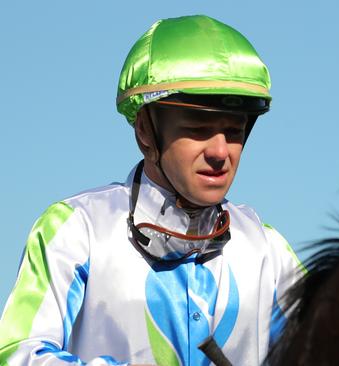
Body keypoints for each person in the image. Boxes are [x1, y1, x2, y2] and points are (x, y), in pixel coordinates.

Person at [0, 14, 303, 365]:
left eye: (234, 132)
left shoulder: (268, 250)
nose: (221, 152)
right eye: (199, 128)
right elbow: (18, 353)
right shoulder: (75, 229)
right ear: (145, 130)